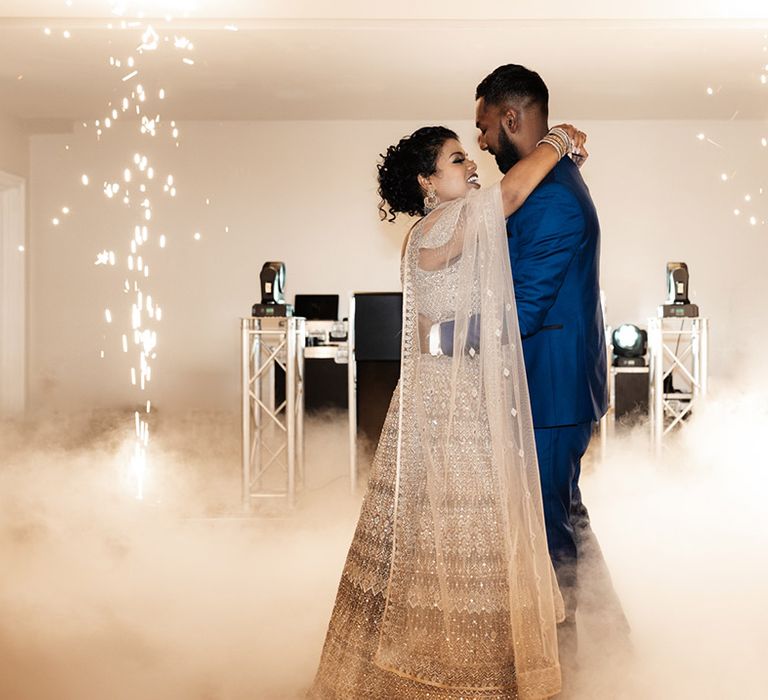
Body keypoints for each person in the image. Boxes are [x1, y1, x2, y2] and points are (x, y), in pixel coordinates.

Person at [311, 121, 586, 699]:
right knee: (464, 528)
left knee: (428, 533)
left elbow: (435, 327)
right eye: (458, 160)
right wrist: (556, 143)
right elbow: (511, 195)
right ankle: (462, 673)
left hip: (433, 398)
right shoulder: (453, 220)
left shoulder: (423, 233)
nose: (472, 166)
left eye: (469, 157)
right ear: (428, 182)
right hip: (455, 407)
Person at [434, 64, 628, 663]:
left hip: (552, 394)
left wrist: (435, 342)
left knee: (550, 538)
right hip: (555, 389)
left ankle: (564, 668)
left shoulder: (550, 202)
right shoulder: (554, 181)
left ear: (511, 119)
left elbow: (521, 312)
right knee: (567, 517)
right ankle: (612, 646)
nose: (483, 142)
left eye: (485, 127)